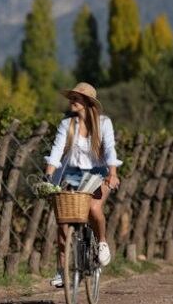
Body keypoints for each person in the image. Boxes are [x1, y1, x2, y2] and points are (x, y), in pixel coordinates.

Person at [44, 82, 121, 288]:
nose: (72, 100)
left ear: (87, 103)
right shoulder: (66, 124)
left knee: (94, 208)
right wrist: (48, 176)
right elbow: (56, 151)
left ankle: (102, 242)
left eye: (77, 98)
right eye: (71, 97)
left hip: (98, 175)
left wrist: (112, 173)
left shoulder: (103, 123)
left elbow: (110, 150)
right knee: (63, 222)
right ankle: (62, 270)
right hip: (72, 175)